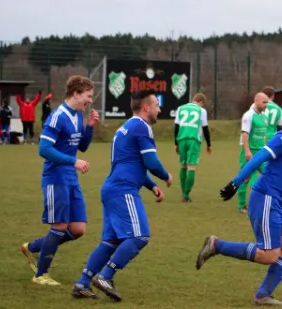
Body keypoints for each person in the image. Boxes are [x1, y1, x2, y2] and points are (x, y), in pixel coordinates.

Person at [194, 104, 282, 306]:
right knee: (269, 255)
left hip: (279, 201)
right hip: (266, 197)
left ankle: (262, 295)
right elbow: (261, 156)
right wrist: (236, 182)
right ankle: (216, 245)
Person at [72, 90, 173, 301]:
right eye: (156, 105)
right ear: (146, 107)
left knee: (111, 241)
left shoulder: (125, 127)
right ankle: (105, 276)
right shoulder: (142, 126)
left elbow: (129, 163)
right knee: (139, 236)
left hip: (112, 188)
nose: (159, 109)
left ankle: (82, 283)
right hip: (122, 190)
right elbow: (151, 162)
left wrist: (151, 185)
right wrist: (166, 176)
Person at [20, 75, 99, 285]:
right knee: (60, 227)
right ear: (75, 93)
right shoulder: (58, 116)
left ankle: (32, 248)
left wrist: (90, 126)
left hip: (71, 179)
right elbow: (44, 149)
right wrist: (73, 162)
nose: (90, 101)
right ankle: (40, 275)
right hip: (56, 178)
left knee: (78, 229)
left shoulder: (78, 116)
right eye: (88, 96)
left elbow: (81, 146)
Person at [174, 93, 211, 203]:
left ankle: (183, 193)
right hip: (194, 140)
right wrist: (209, 144)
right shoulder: (201, 111)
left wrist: (176, 143)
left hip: (181, 139)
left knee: (183, 165)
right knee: (191, 167)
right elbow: (205, 128)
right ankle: (185, 195)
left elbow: (176, 127)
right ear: (201, 102)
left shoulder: (181, 108)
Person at [237, 92, 269, 214]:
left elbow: (263, 135)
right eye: (264, 102)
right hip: (250, 151)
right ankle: (241, 205)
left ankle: (264, 202)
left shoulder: (264, 117)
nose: (266, 105)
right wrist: (247, 151)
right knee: (245, 178)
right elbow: (245, 133)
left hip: (261, 152)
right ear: (256, 101)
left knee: (269, 174)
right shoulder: (248, 115)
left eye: (267, 102)